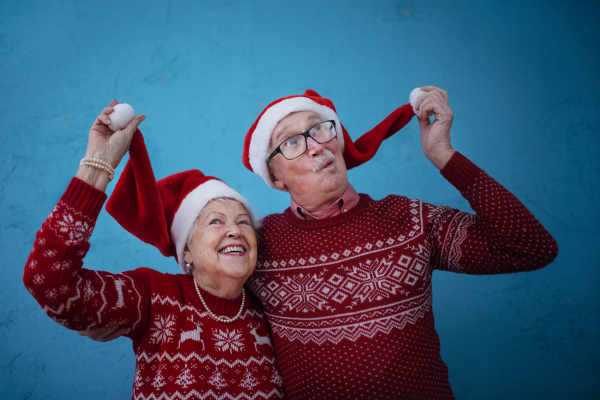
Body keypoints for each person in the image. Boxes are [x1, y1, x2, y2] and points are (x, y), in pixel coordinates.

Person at [83, 87, 559, 399]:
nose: (315, 144)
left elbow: (531, 247)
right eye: (292, 141)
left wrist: (444, 156)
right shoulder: (257, 246)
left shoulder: (409, 218)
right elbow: (203, 300)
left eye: (321, 128)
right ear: (273, 176)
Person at [23, 100, 285, 399]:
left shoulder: (273, 313)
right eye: (215, 221)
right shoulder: (152, 297)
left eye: (243, 221)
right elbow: (50, 283)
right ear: (186, 251)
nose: (235, 230)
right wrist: (98, 164)